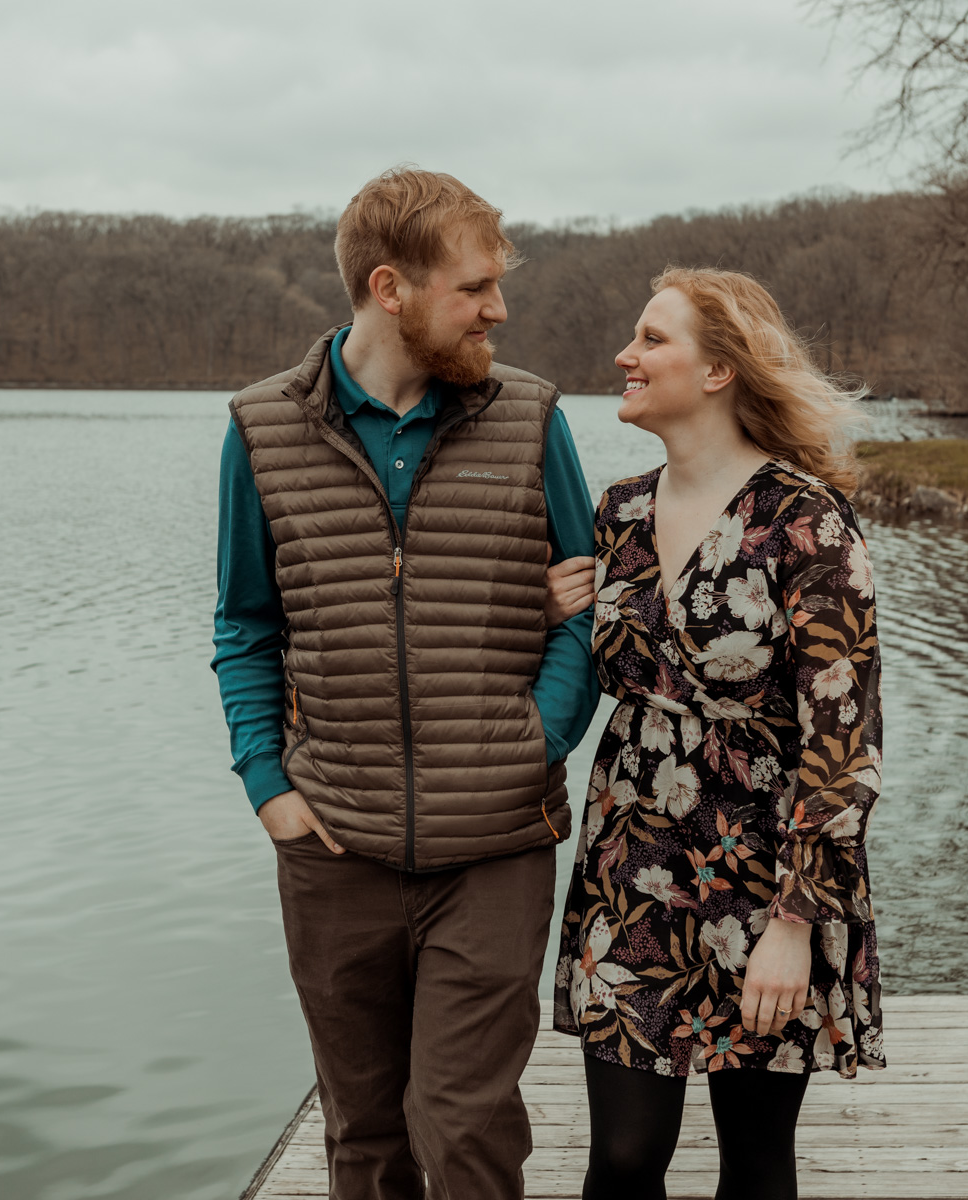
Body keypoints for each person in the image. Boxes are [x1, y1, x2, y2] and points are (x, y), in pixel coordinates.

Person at [209, 167, 601, 1200]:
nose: (498, 309)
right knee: (365, 1137)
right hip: (334, 848)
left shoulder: (533, 419)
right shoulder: (260, 428)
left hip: (496, 848)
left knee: (465, 1128)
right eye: (474, 287)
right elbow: (247, 622)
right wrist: (268, 785)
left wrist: (538, 739)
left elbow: (590, 604)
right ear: (391, 287)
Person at [548, 267, 887, 1200]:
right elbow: (591, 672)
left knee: (754, 1162)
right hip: (633, 862)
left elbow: (843, 744)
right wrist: (549, 614)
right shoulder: (616, 514)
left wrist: (794, 922)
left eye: (652, 339)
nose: (626, 354)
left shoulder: (806, 523)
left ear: (719, 371)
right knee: (621, 1161)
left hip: (767, 872)